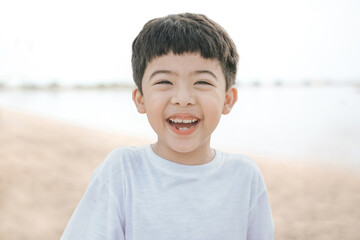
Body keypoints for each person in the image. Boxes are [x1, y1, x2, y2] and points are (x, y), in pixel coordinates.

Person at [60, 13, 274, 240]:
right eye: (164, 82)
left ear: (227, 100)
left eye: (202, 82)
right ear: (140, 99)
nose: (183, 98)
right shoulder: (122, 171)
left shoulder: (244, 177)